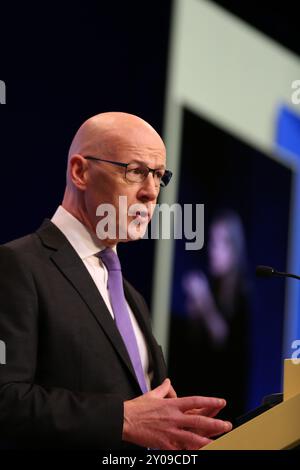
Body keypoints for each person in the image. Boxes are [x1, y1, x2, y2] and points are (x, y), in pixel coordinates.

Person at [0, 112, 232, 450]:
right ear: (80, 172)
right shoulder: (17, 265)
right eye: (136, 172)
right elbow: (5, 400)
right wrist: (122, 419)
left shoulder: (132, 298)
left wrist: (174, 429)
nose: (151, 193)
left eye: (158, 176)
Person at [179, 210, 250, 421]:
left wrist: (205, 303)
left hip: (228, 404)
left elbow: (224, 339)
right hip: (202, 394)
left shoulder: (242, 295)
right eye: (211, 241)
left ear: (234, 249)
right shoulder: (213, 287)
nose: (212, 250)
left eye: (219, 243)